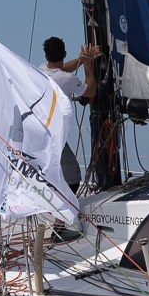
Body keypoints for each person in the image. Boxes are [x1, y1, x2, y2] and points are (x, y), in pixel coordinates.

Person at [42, 37, 102, 189]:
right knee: (73, 175)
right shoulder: (68, 79)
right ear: (64, 54)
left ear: (46, 56)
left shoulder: (41, 69)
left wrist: (82, 59)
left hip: (41, 130)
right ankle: (64, 207)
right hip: (54, 136)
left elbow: (60, 70)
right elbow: (90, 91)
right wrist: (87, 65)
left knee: (58, 170)